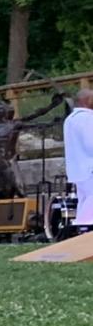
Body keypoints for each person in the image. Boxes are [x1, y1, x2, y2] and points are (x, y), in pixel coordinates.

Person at [63, 89, 93, 230]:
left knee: (84, 200)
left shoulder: (70, 119)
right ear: (86, 100)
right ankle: (84, 226)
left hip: (77, 167)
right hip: (89, 166)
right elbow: (90, 143)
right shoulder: (87, 118)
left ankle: (81, 228)